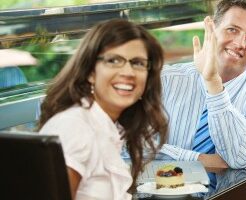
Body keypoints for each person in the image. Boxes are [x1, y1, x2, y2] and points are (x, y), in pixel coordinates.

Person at [38, 19, 168, 200]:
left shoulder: (108, 127)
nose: (128, 72)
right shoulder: (74, 128)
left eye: (138, 63)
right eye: (114, 60)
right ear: (90, 72)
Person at [158, 0, 246, 169]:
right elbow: (128, 148)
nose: (240, 43)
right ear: (211, 28)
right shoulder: (166, 79)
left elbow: (239, 158)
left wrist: (213, 85)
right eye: (232, 29)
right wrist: (203, 160)